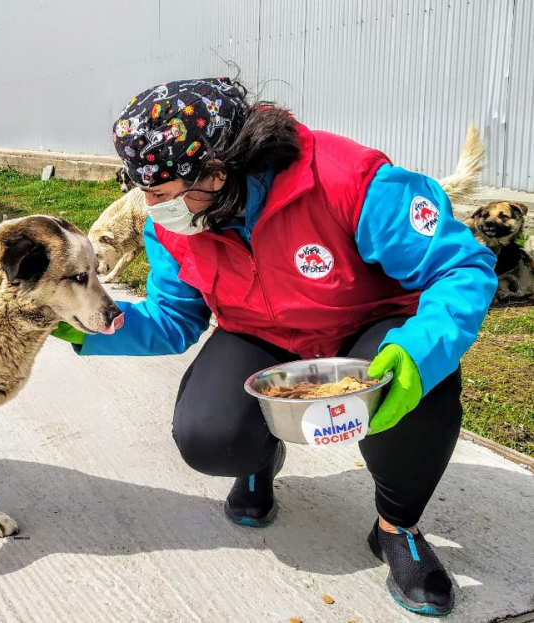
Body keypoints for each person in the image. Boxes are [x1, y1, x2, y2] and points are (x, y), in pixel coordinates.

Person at [51, 78, 497, 616]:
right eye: (145, 191)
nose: (154, 208)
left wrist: (418, 353)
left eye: (165, 194)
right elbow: (174, 318)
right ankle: (259, 460)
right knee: (208, 434)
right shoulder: (174, 226)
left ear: (218, 172)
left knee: (418, 396)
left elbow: (461, 266)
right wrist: (84, 326)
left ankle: (397, 527)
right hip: (259, 336)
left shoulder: (347, 179)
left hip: (369, 330)